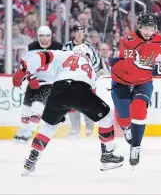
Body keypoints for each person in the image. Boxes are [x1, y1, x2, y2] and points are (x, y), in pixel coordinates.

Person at [12, 45, 123, 176]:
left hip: (58, 89)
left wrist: (21, 72)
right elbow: (91, 93)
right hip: (81, 89)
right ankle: (107, 154)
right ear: (90, 56)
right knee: (106, 116)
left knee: (49, 126)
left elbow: (40, 57)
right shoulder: (90, 69)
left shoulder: (63, 54)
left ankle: (31, 159)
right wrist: (73, 105)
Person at [109, 11, 161, 167]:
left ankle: (136, 147)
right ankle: (126, 127)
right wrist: (158, 70)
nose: (148, 32)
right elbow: (131, 67)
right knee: (124, 117)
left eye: (151, 28)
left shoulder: (156, 37)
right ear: (139, 27)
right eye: (145, 28)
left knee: (139, 109)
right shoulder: (128, 40)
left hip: (143, 81)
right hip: (122, 80)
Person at [13, 26, 63, 143]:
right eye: (41, 36)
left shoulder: (59, 48)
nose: (44, 39)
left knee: (37, 107)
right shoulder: (30, 48)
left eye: (47, 36)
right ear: (38, 36)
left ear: (51, 36)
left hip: (49, 83)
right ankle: (24, 129)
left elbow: (62, 66)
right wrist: (30, 77)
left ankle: (30, 132)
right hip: (33, 82)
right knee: (26, 108)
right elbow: (24, 65)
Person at [63, 23, 99, 137]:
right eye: (76, 31)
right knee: (72, 103)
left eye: (81, 31)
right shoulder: (66, 47)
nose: (79, 34)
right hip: (71, 81)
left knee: (87, 103)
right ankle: (75, 128)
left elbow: (96, 62)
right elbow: (62, 62)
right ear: (73, 33)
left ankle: (89, 127)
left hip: (85, 80)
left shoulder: (89, 47)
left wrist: (88, 70)